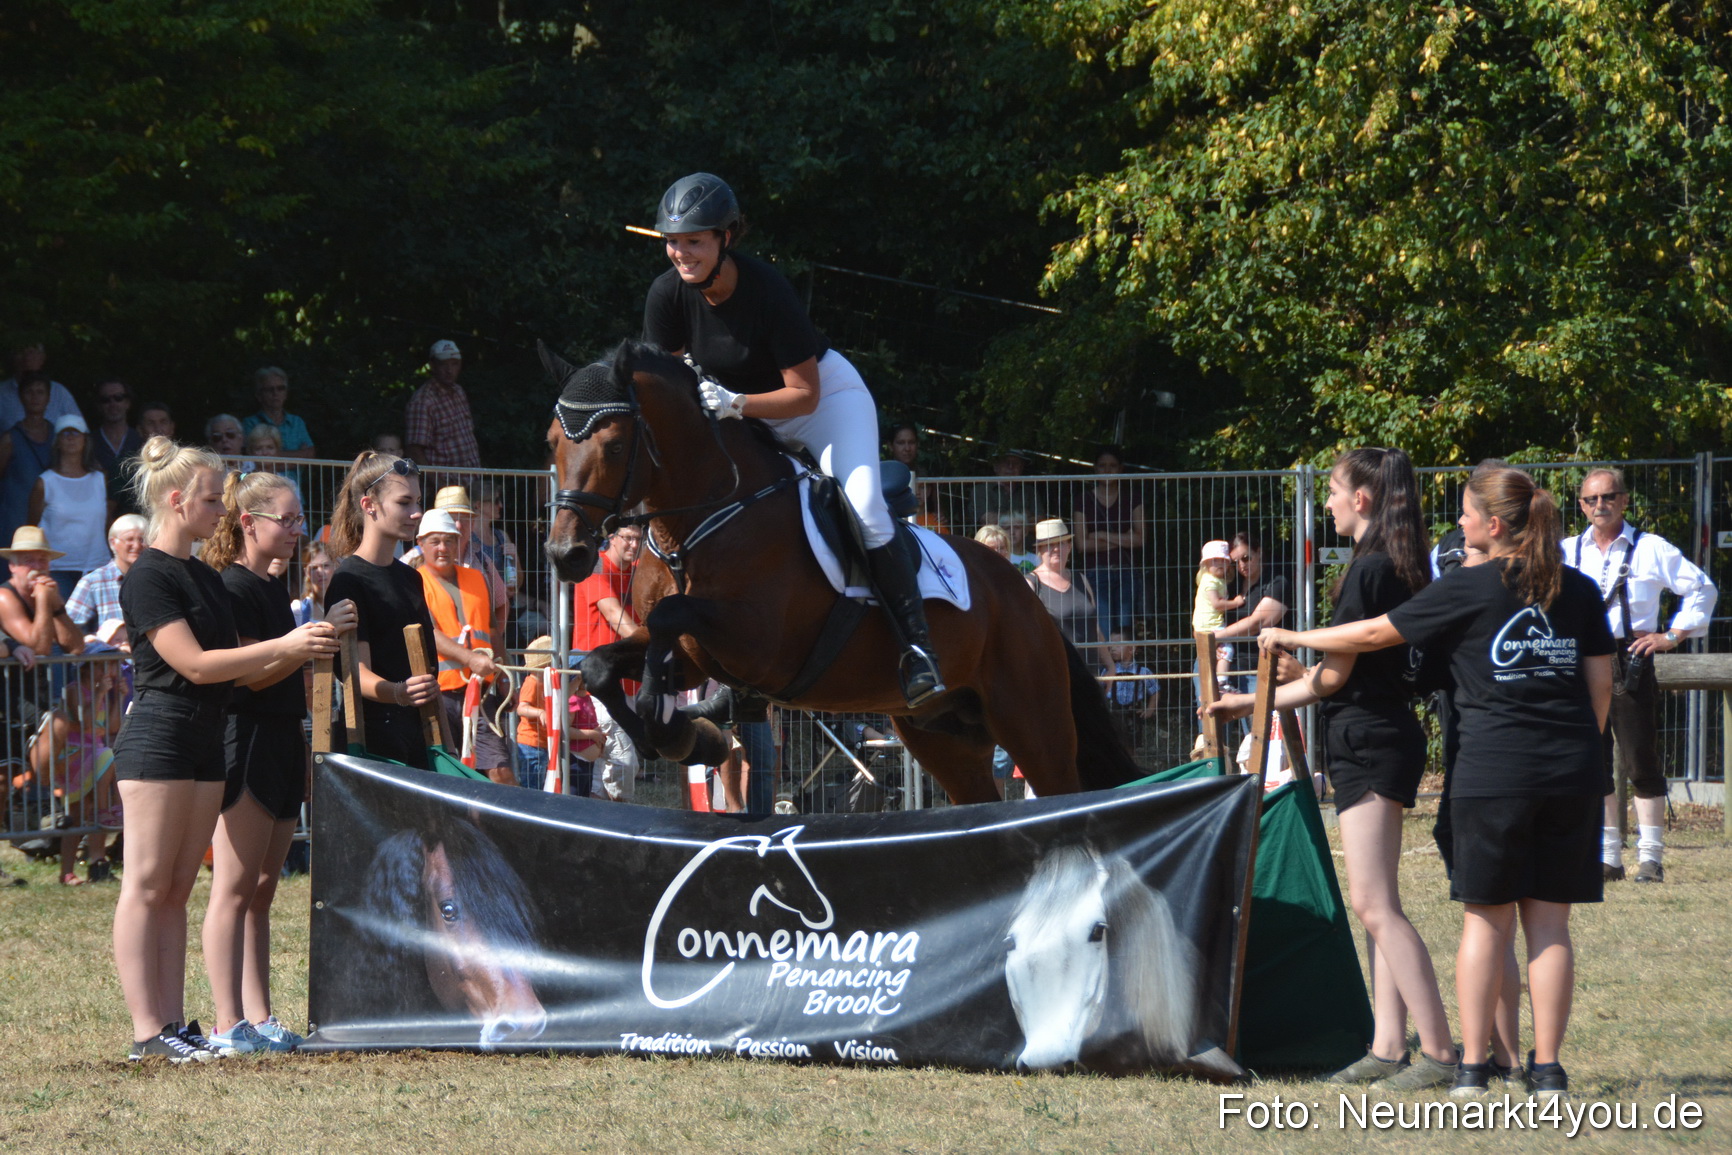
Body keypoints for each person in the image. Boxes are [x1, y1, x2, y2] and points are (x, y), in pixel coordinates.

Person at [1258, 462, 1613, 1099]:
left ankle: (1471, 1067)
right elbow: (1600, 692)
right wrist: (1571, 752)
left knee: (1487, 921)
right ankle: (1547, 1069)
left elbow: (1372, 634)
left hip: (1494, 772)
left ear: (1495, 525)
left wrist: (1291, 633)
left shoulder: (1472, 585)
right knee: (1551, 928)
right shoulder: (1580, 589)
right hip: (1572, 774)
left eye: (1468, 513)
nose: (1458, 521)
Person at [1211, 447, 1459, 1091]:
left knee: (1374, 903)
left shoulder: (1369, 569)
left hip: (1369, 740)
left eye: (1334, 491)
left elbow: (1333, 675)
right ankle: (1385, 1047)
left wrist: (1286, 650)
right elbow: (1330, 677)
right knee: (1380, 902)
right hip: (1380, 734)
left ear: (1364, 500)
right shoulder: (1393, 563)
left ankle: (1437, 1052)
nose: (1327, 502)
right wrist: (1249, 701)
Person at [643, 173, 943, 707]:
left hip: (823, 406)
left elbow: (803, 394)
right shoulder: (666, 295)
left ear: (726, 238)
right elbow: (664, 383)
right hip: (746, 419)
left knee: (866, 507)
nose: (680, 253)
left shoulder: (767, 290)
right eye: (673, 241)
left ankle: (918, 650)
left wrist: (735, 404)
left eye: (694, 240)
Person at [111, 436, 340, 1062]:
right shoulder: (150, 575)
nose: (220, 511)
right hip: (160, 734)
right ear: (179, 500)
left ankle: (175, 1023)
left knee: (177, 889)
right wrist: (288, 648)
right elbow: (195, 662)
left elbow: (226, 668)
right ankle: (146, 1031)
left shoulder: (200, 576)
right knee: (146, 883)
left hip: (206, 736)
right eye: (213, 500)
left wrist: (286, 648)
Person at [199, 470, 353, 1055]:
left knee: (262, 889)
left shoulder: (269, 587)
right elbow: (245, 673)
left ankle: (258, 1016)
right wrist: (307, 642)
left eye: (297, 520)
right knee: (233, 889)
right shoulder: (232, 588)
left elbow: (283, 669)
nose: (295, 531)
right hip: (248, 740)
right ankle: (225, 1023)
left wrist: (314, 644)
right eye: (284, 520)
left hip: (285, 738)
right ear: (249, 523)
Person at [1564, 468, 1717, 884]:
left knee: (1639, 759)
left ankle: (1650, 858)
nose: (1600, 505)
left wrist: (1670, 635)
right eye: (1591, 499)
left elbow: (1702, 588)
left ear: (1625, 500)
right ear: (1581, 505)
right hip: (1579, 661)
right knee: (1592, 759)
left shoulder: (1651, 548)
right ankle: (1607, 857)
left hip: (1629, 656)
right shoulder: (1566, 551)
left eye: (1608, 497)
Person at [323, 452, 442, 769]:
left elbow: (427, 668)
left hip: (421, 734)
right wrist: (400, 692)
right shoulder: (349, 580)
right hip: (375, 741)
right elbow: (354, 673)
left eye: (418, 501)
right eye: (404, 503)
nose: (417, 513)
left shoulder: (412, 577)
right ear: (369, 505)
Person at [415, 508, 511, 784]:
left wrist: (503, 678)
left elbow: (492, 631)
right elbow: (429, 634)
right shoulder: (415, 581)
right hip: (440, 694)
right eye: (435, 541)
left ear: (459, 543)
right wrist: (471, 659)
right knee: (451, 776)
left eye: (449, 540)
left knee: (500, 772)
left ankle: (508, 827)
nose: (443, 548)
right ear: (421, 544)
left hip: (480, 692)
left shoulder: (477, 578)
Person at [27, 641, 124, 885]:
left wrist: (116, 699)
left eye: (111, 665)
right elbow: (87, 722)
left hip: (94, 755)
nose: (110, 670)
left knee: (83, 814)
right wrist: (101, 693)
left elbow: (112, 727)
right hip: (76, 756)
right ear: (87, 668)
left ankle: (95, 865)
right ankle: (68, 869)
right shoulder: (75, 690)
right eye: (104, 665)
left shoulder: (104, 693)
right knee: (82, 811)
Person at [28, 414, 111, 597]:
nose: (71, 437)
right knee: (63, 622)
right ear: (57, 441)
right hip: (57, 568)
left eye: (76, 433)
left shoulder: (100, 479)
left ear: (85, 440)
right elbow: (32, 529)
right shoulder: (45, 482)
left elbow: (107, 524)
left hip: (97, 567)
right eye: (65, 434)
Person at [1073, 446, 1147, 639]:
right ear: (1095, 469)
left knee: (1125, 627)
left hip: (1126, 571)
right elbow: (1082, 545)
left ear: (1121, 468)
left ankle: (1126, 668)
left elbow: (1141, 539)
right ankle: (1106, 668)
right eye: (1102, 466)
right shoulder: (1083, 500)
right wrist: (1125, 538)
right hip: (1095, 572)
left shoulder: (1133, 498)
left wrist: (1100, 534)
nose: (1107, 470)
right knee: (1102, 626)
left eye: (1113, 466)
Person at [1025, 519, 1105, 663]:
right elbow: (1025, 634)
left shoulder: (1081, 580)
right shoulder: (1031, 584)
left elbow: (1095, 627)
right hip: (1056, 673)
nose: (1056, 549)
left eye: (1061, 543)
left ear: (1069, 547)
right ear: (1040, 550)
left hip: (1090, 673)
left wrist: (1110, 665)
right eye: (1050, 545)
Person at [0, 526, 84, 656]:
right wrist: (43, 599)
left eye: (42, 560)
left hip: (39, 675)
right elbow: (39, 649)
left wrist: (56, 605)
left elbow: (76, 647)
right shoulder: (4, 597)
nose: (38, 567)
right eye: (29, 561)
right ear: (13, 566)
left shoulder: (46, 590)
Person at [67, 513, 148, 641]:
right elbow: (68, 629)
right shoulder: (93, 581)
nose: (137, 546)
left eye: (142, 540)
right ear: (113, 543)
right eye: (130, 539)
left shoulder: (158, 579)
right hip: (111, 659)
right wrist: (99, 647)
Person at [0, 372, 57, 545]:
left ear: (48, 398)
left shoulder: (58, 436)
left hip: (52, 519)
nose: (35, 397)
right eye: (29, 392)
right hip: (15, 518)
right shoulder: (10, 439)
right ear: (21, 397)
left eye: (40, 392)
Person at [404, 340, 480, 469]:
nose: (449, 370)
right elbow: (414, 451)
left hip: (471, 479)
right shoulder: (423, 401)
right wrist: (440, 485)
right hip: (444, 483)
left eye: (454, 364)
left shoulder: (459, 392)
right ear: (432, 365)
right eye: (443, 364)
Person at [574, 525, 642, 659]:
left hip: (629, 662)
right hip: (596, 664)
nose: (634, 545)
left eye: (638, 539)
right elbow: (612, 613)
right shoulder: (595, 565)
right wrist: (646, 644)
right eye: (628, 538)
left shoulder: (639, 568)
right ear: (612, 538)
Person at [90, 380, 144, 515]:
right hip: (97, 520)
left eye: (118, 398)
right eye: (105, 400)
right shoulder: (87, 443)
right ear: (99, 405)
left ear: (128, 403)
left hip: (136, 523)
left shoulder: (141, 442)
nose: (112, 404)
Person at [0, 344, 83, 432]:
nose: (27, 359)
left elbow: (81, 431)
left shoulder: (59, 392)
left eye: (32, 353)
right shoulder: (2, 393)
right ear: (13, 358)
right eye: (21, 352)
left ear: (42, 358)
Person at [241, 367, 317, 459]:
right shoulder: (249, 423)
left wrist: (271, 457)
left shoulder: (297, 422)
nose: (275, 393)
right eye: (269, 389)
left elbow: (310, 454)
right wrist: (300, 454)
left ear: (286, 393)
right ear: (259, 395)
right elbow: (252, 460)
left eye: (280, 388)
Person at [1102, 631, 1158, 756]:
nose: (1112, 649)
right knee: (1113, 741)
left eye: (1117, 645)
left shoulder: (1143, 671)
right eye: (1110, 646)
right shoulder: (1109, 671)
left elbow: (1155, 690)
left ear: (1131, 649)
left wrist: (1150, 709)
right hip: (1113, 712)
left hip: (1133, 714)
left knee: (1132, 743)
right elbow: (1102, 689)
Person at [515, 636, 556, 790]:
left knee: (538, 782)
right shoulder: (532, 682)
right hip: (531, 743)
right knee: (533, 784)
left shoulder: (544, 683)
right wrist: (540, 712)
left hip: (541, 742)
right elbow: (521, 708)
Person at [972, 449, 1035, 531]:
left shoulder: (1029, 490)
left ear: (1021, 468)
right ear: (996, 467)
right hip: (993, 541)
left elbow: (1039, 522)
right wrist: (1024, 517)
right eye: (1005, 462)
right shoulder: (981, 490)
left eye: (1016, 463)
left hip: (1025, 542)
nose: (1011, 466)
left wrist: (1000, 518)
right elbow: (989, 520)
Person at [291, 541, 335, 627]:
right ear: (306, 572)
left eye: (325, 566)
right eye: (314, 568)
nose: (320, 572)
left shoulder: (345, 603)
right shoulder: (299, 609)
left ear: (335, 566)